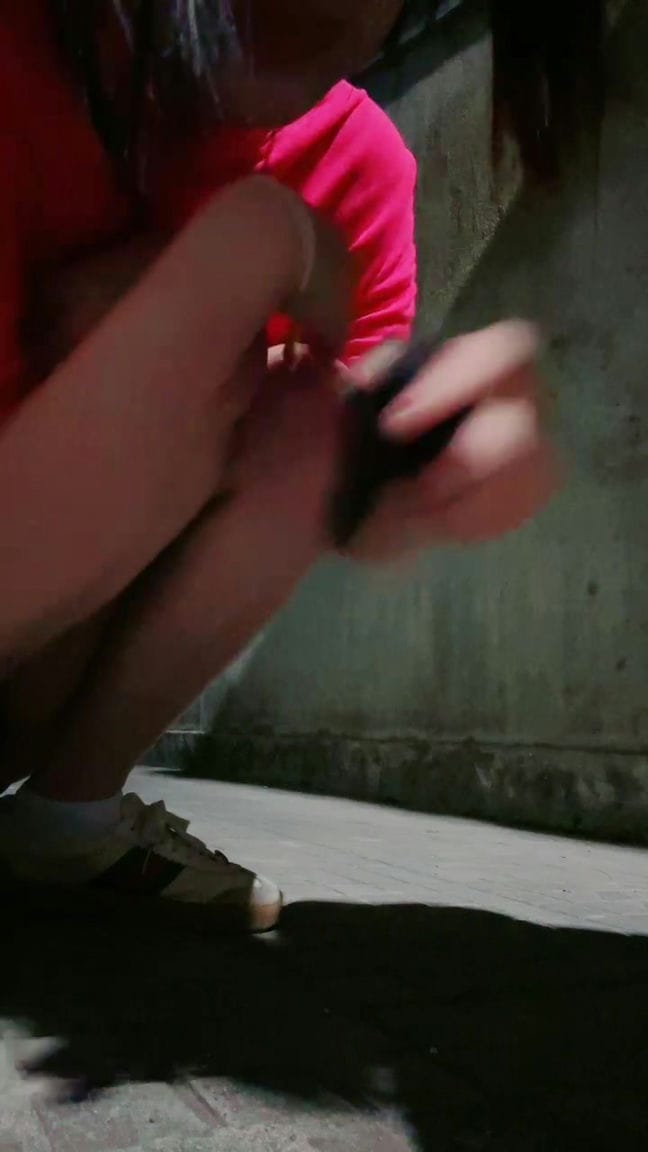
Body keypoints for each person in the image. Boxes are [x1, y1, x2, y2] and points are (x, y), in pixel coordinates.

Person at [0, 0, 554, 931]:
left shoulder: (359, 163)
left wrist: (426, 469)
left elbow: (340, 479)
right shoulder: (29, 56)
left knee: (316, 417)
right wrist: (250, 259)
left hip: (46, 663)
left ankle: (72, 815)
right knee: (251, 255)